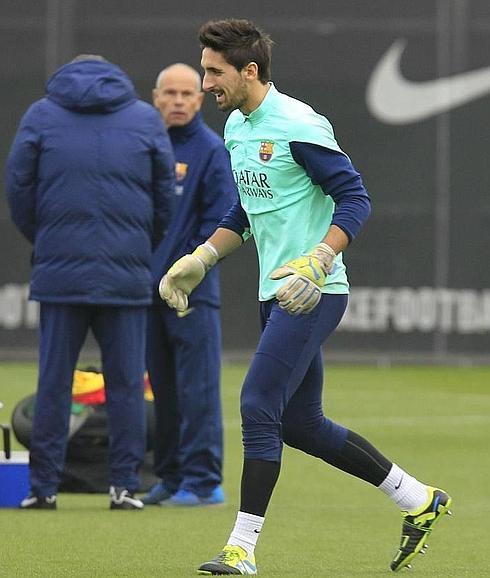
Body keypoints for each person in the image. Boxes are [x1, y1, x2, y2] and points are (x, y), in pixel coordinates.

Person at [158, 19, 453, 575]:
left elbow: (355, 198)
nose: (205, 84)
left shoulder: (297, 123)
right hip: (276, 293)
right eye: (204, 71)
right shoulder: (237, 128)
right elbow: (244, 210)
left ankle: (241, 548)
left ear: (249, 71)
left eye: (214, 72)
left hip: (316, 291)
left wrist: (319, 259)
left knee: (256, 404)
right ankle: (418, 498)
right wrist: (201, 258)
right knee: (300, 424)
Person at [5, 54, 176, 510]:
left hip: (59, 271)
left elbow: (18, 188)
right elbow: (165, 197)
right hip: (126, 271)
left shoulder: (41, 114)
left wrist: (46, 238)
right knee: (126, 384)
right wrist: (140, 243)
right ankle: (124, 487)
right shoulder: (144, 118)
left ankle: (43, 489)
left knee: (54, 381)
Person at [142, 63, 235, 506]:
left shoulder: (211, 150)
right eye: (170, 93)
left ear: (199, 100)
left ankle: (203, 481)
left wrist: (182, 269)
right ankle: (170, 474)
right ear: (155, 98)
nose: (178, 101)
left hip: (192, 292)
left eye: (186, 94)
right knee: (162, 388)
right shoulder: (146, 146)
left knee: (197, 388)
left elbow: (219, 221)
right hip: (147, 290)